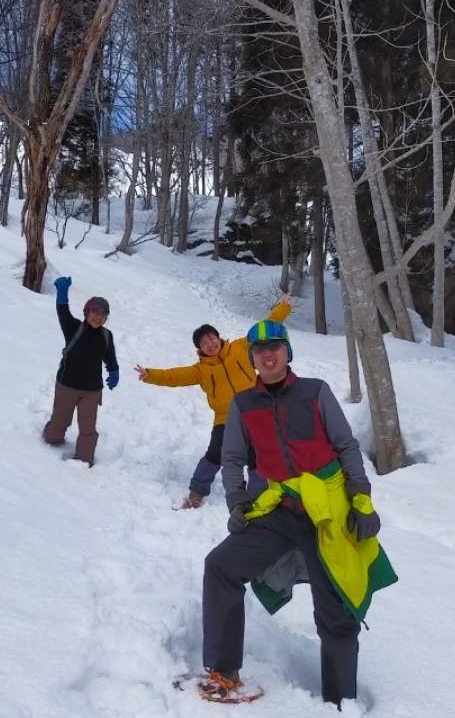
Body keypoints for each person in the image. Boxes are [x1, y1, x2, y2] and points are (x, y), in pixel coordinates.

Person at [199, 320, 397, 706]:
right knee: (221, 566)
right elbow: (233, 457)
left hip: (328, 512)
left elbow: (346, 446)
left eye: (275, 346)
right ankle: (224, 670)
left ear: (288, 352)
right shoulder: (243, 404)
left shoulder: (315, 392)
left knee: (336, 608)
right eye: (260, 350)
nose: (268, 354)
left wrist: (361, 499)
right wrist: (236, 502)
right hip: (280, 509)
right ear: (253, 358)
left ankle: (341, 703)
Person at [133, 295, 292, 509]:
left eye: (211, 338)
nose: (210, 344)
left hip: (255, 410)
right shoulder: (201, 370)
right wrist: (150, 375)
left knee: (258, 454)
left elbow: (265, 327)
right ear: (200, 348)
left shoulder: (241, 347)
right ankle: (196, 492)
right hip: (225, 418)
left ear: (218, 337)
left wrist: (283, 308)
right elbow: (175, 376)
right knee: (215, 453)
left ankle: (257, 496)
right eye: (204, 343)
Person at [41, 276, 119, 467]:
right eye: (95, 312)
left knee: (88, 428)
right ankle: (51, 437)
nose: (98, 317)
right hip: (67, 385)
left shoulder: (107, 336)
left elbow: (110, 357)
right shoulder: (73, 328)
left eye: (103, 314)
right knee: (59, 423)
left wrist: (114, 370)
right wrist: (62, 293)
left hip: (91, 390)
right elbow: (63, 312)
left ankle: (84, 459)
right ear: (86, 312)